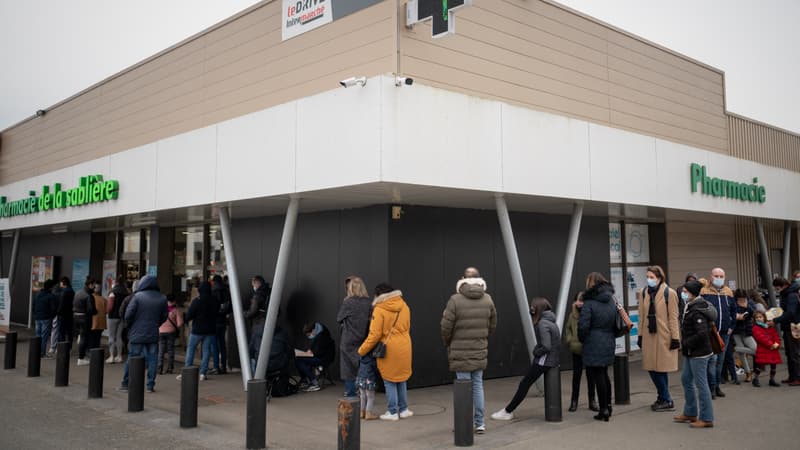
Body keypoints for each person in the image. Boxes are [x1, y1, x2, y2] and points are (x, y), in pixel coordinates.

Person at [441, 267, 497, 434]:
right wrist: (483, 337)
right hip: (479, 348)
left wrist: (448, 342)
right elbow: (493, 324)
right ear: (479, 279)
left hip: (460, 351)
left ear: (462, 279)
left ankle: (463, 423)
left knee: (463, 387)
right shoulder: (488, 299)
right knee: (478, 386)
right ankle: (480, 423)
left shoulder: (455, 300)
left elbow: (445, 326)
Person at [492, 297, 560, 422]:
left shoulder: (542, 324)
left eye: (532, 308)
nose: (531, 311)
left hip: (543, 361)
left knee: (524, 384)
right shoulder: (551, 322)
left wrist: (536, 352)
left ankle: (508, 411)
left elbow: (546, 346)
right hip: (551, 361)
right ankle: (508, 410)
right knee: (525, 383)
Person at [358, 283, 413, 421]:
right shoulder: (404, 306)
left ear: (378, 295)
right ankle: (404, 409)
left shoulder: (379, 309)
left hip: (389, 347)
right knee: (401, 378)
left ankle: (392, 411)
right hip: (405, 345)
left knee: (389, 380)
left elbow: (374, 335)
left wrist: (361, 350)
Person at [674, 280, 716, 428]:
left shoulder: (697, 309)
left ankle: (706, 418)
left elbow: (702, 334)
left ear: (693, 293)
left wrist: (686, 343)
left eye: (685, 291)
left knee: (701, 384)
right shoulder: (690, 306)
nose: (683, 293)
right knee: (686, 379)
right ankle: (691, 412)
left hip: (699, 353)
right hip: (690, 352)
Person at [638, 265, 680, 411]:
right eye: (648, 277)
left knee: (661, 369)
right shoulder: (644, 292)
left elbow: (673, 317)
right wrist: (640, 335)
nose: (649, 280)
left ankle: (665, 399)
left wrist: (675, 337)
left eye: (652, 277)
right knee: (651, 368)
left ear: (660, 278)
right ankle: (663, 397)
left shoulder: (670, 293)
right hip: (649, 335)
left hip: (664, 336)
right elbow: (642, 316)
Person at [576, 273, 617, 422]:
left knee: (598, 375)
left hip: (593, 341)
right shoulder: (611, 300)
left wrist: (582, 338)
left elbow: (583, 326)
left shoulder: (589, 302)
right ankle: (608, 406)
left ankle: (603, 409)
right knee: (604, 374)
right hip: (608, 340)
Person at [119, 275, 168, 393]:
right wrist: (156, 324)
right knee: (152, 359)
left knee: (132, 357)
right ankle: (150, 385)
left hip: (137, 333)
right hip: (153, 333)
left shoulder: (137, 297)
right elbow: (164, 316)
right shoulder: (162, 298)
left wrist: (132, 325)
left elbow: (128, 315)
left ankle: (126, 383)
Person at [700, 267, 736, 398]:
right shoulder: (704, 291)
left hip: (725, 332)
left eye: (721, 276)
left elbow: (733, 310)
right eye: (716, 276)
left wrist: (732, 326)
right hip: (711, 333)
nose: (718, 278)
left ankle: (717, 386)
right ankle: (711, 388)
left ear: (725, 277)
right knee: (712, 361)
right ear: (711, 276)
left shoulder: (728, 292)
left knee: (720, 360)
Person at [336, 276, 373, 398]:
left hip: (348, 340)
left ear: (351, 289)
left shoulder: (348, 302)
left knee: (348, 370)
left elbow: (339, 318)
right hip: (363, 339)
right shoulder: (368, 302)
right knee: (362, 367)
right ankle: (363, 394)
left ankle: (351, 395)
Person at [564, 291, 597, 412]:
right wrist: (569, 340)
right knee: (576, 377)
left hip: (589, 349)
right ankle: (574, 402)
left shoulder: (590, 313)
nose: (579, 303)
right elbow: (568, 329)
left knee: (591, 376)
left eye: (581, 300)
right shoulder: (572, 315)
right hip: (576, 349)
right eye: (577, 300)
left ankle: (592, 401)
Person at [179, 282, 218, 381]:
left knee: (191, 349)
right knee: (206, 351)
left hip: (197, 330)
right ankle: (203, 373)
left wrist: (186, 320)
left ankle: (187, 371)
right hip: (210, 330)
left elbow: (190, 314)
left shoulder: (197, 301)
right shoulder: (214, 300)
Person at [773, 275, 800, 385]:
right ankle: (792, 376)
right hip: (788, 327)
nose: (776, 290)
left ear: (784, 285)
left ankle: (797, 377)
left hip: (793, 327)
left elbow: (790, 313)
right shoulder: (786, 294)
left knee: (794, 353)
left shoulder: (791, 295)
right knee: (789, 353)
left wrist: (775, 320)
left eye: (777, 288)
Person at [295, 321, 336, 392]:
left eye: (309, 335)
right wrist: (310, 351)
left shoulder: (322, 336)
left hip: (324, 359)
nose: (309, 336)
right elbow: (315, 347)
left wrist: (311, 353)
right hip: (321, 356)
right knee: (299, 360)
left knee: (299, 361)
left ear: (313, 330)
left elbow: (319, 352)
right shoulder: (319, 333)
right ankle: (307, 380)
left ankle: (314, 382)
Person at [751, 309, 782, 387]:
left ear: (764, 318)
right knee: (760, 366)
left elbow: (776, 336)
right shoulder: (755, 328)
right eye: (756, 317)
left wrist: (777, 343)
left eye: (760, 317)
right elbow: (761, 338)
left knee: (773, 366)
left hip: (773, 349)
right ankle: (756, 379)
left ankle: (772, 379)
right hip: (763, 349)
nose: (758, 318)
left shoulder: (770, 327)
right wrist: (771, 344)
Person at [732, 289, 757, 383]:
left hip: (747, 330)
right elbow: (731, 313)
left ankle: (736, 349)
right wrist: (736, 316)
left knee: (755, 349)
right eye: (740, 299)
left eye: (743, 298)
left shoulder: (749, 302)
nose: (741, 300)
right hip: (736, 330)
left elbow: (754, 313)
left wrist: (747, 306)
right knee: (742, 354)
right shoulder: (733, 302)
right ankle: (748, 373)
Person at [246, 275, 271, 372]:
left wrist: (244, 313)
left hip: (258, 325)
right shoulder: (269, 292)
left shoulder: (258, 295)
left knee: (253, 351)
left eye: (253, 284)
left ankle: (254, 374)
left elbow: (252, 312)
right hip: (269, 325)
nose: (253, 287)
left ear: (257, 283)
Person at [73, 277, 98, 366]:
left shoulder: (78, 293)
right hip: (85, 318)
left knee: (82, 336)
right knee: (84, 337)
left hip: (76, 316)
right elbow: (91, 309)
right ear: (90, 285)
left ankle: (82, 355)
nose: (95, 287)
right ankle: (81, 358)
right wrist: (96, 311)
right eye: (94, 285)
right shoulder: (89, 296)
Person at [210, 275, 231, 375]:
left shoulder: (212, 291)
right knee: (222, 344)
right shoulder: (226, 291)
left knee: (214, 345)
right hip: (223, 321)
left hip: (214, 321)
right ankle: (224, 366)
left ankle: (216, 367)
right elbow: (229, 306)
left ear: (214, 281)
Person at [157, 294, 183, 374]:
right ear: (174, 301)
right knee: (170, 350)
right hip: (171, 332)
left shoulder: (161, 309)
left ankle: (160, 367)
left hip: (161, 331)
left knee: (161, 350)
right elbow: (180, 324)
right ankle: (170, 368)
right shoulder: (176, 310)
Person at [106, 275, 129, 363]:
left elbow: (110, 306)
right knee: (119, 336)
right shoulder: (126, 292)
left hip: (112, 317)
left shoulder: (112, 292)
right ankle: (119, 356)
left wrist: (107, 311)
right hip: (122, 317)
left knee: (111, 336)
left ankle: (111, 356)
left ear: (115, 282)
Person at [33, 279, 58, 358]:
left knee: (38, 336)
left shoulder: (37, 294)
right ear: (51, 287)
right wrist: (51, 316)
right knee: (44, 337)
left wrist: (35, 314)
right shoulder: (51, 296)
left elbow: (33, 306)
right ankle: (42, 354)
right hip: (46, 318)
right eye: (53, 287)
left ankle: (37, 352)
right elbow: (54, 309)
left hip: (37, 318)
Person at [55, 277, 75, 346]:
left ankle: (61, 347)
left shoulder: (64, 292)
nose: (60, 284)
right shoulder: (72, 291)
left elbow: (62, 304)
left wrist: (57, 312)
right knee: (69, 331)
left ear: (63, 283)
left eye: (60, 282)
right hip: (69, 313)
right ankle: (69, 346)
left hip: (62, 315)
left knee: (61, 332)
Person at [88, 285, 107, 353]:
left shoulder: (90, 298)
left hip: (93, 321)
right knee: (98, 338)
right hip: (101, 322)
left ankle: (92, 352)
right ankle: (96, 352)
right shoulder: (103, 299)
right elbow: (106, 311)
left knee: (91, 338)